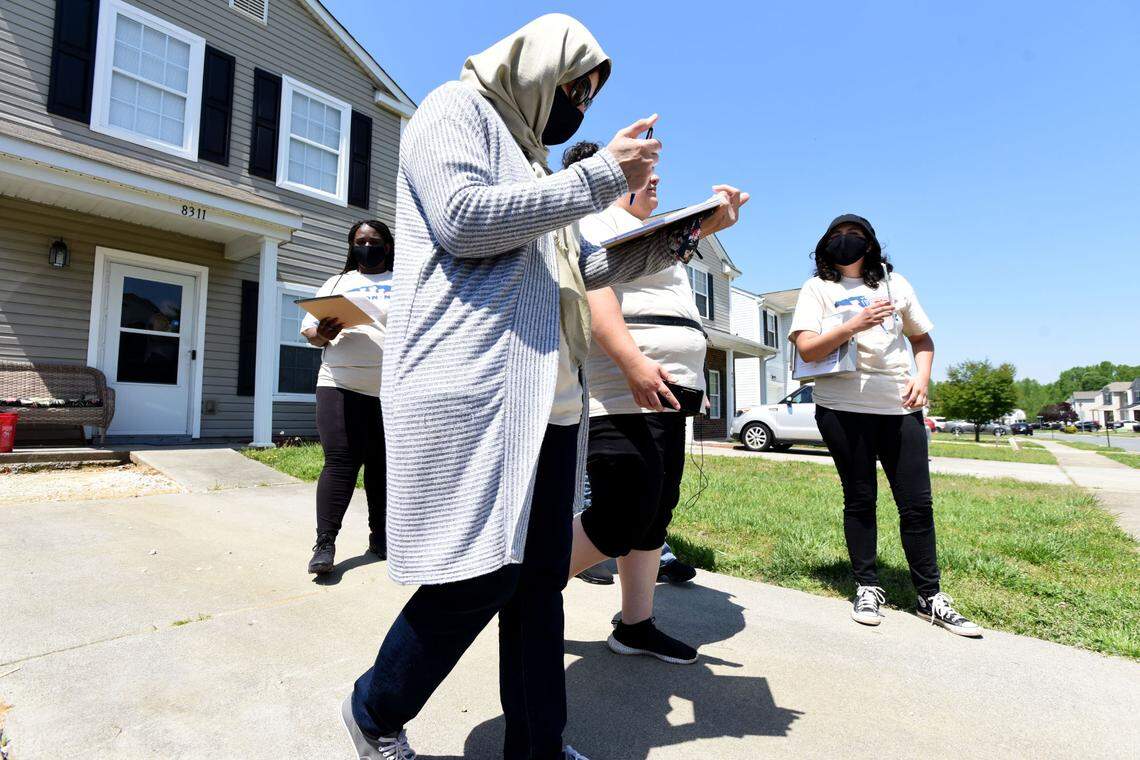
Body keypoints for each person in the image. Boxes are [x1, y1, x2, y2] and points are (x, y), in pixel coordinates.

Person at [342, 15, 742, 760]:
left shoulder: (536, 163)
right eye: (574, 92)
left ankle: (538, 743)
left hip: (553, 407)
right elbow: (462, 221)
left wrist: (688, 232)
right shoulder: (450, 110)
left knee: (536, 589)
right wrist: (597, 179)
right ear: (535, 68)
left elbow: (584, 270)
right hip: (479, 393)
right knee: (479, 576)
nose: (577, 112)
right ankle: (374, 707)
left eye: (588, 103)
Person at [562, 141, 747, 663]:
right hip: (625, 388)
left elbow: (678, 311)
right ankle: (528, 588)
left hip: (669, 389)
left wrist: (696, 378)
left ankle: (635, 626)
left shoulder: (649, 236)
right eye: (644, 171)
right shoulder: (592, 222)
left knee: (653, 517)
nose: (657, 180)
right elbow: (594, 293)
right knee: (619, 515)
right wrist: (634, 364)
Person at [788, 214, 981, 637]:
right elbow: (806, 345)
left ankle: (930, 596)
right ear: (824, 245)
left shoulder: (896, 284)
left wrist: (922, 377)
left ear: (871, 243)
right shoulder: (818, 288)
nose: (845, 241)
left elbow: (922, 339)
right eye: (837, 235)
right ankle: (867, 585)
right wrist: (853, 324)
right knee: (860, 498)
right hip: (841, 407)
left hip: (898, 405)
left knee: (917, 503)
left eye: (854, 235)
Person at [301, 221, 394, 575]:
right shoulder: (338, 283)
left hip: (390, 391)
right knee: (340, 463)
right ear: (352, 245)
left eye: (374, 241)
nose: (366, 246)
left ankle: (381, 536)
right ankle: (325, 543)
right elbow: (311, 332)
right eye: (360, 241)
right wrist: (322, 333)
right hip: (339, 383)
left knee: (382, 468)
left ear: (387, 246)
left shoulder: (405, 281)